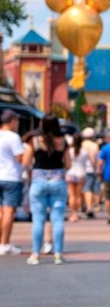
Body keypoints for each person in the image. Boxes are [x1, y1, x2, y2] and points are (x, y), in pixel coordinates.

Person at [23, 114, 71, 265]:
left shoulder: (35, 140)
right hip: (58, 181)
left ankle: (35, 255)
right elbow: (68, 165)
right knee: (57, 219)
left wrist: (35, 169)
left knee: (38, 220)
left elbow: (25, 162)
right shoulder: (63, 141)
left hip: (38, 181)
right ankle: (58, 254)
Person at [0, 109, 25, 256]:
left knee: (1, 212)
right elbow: (19, 158)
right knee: (9, 211)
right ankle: (5, 243)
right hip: (11, 177)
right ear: (12, 121)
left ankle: (1, 242)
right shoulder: (13, 137)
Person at [65, 133, 89, 222]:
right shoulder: (84, 151)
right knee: (78, 195)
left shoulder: (69, 150)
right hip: (81, 173)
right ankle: (78, 213)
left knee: (71, 195)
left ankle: (73, 213)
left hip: (71, 172)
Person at [80, 127, 100, 218]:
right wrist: (96, 169)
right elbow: (93, 159)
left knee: (82, 189)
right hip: (90, 169)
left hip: (79, 169)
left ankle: (82, 206)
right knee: (89, 189)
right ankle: (89, 207)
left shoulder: (79, 144)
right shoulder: (94, 145)